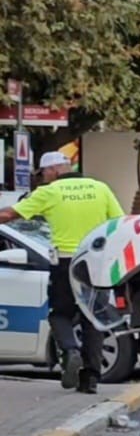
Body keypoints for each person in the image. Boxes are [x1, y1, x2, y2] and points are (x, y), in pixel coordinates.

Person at [0, 151, 123, 393]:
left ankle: (69, 349)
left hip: (66, 262)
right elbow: (118, 222)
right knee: (93, 318)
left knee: (60, 314)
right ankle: (90, 381)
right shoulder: (100, 188)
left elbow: (9, 215)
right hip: (96, 263)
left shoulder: (49, 192)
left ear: (54, 170)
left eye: (44, 172)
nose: (44, 177)